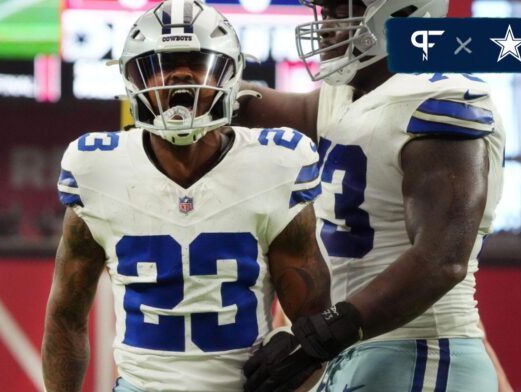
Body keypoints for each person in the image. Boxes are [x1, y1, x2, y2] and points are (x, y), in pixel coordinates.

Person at [41, 1, 331, 390]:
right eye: (160, 63)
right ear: (133, 79)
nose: (180, 75)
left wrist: (297, 363)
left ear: (231, 74)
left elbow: (314, 323)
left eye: (198, 62)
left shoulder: (275, 163)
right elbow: (66, 318)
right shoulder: (96, 168)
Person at [237, 1, 508, 391]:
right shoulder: (351, 91)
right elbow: (271, 110)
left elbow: (441, 260)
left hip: (421, 349)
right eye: (325, 11)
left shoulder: (438, 97)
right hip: (360, 345)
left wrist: (321, 336)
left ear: (402, 12)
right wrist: (203, 81)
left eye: (340, 10)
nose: (326, 25)